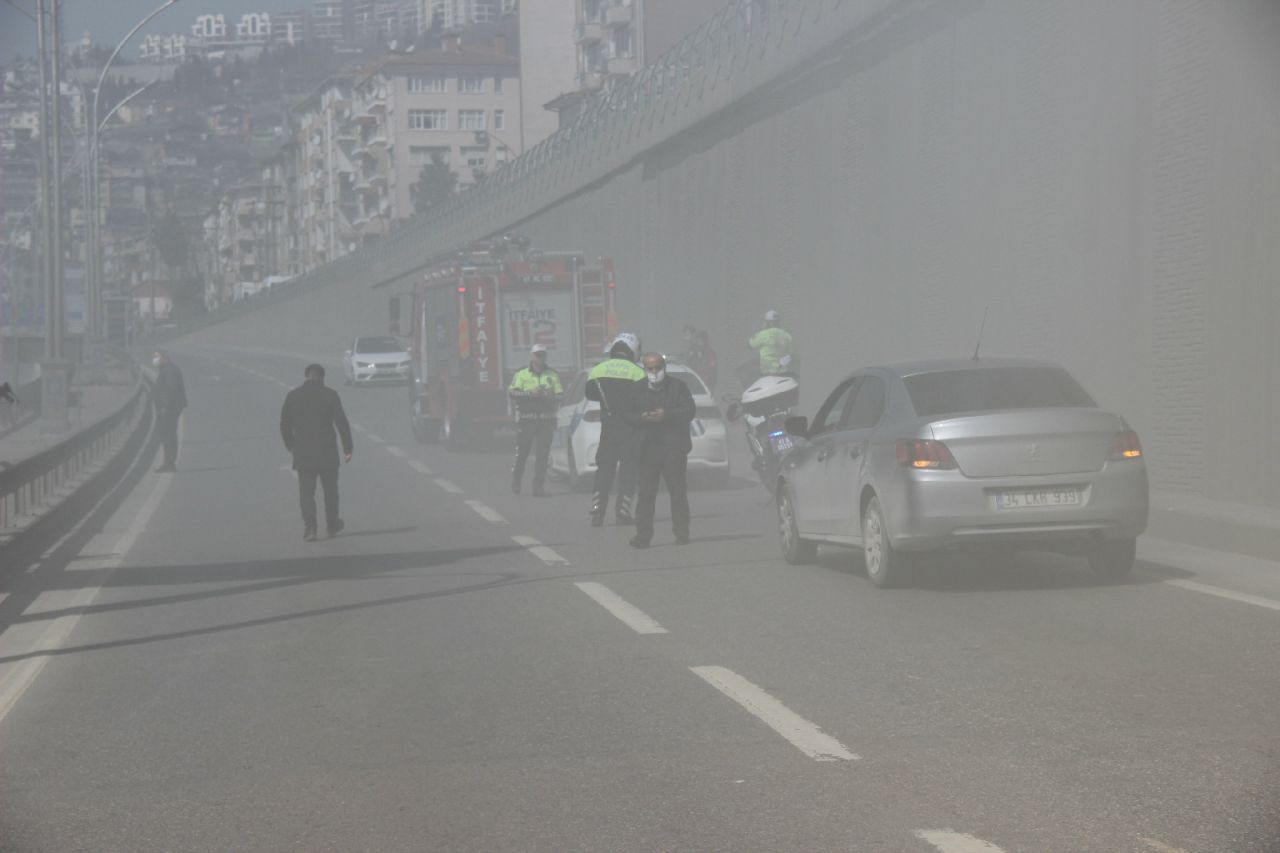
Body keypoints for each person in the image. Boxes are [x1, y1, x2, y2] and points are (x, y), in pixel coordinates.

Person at [626, 352, 696, 548]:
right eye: (650, 368)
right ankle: (643, 536)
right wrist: (642, 417)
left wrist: (668, 415)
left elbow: (689, 410)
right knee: (646, 494)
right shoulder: (636, 389)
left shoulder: (678, 387)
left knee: (678, 493)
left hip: (673, 448)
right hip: (647, 450)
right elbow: (626, 415)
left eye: (658, 367)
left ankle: (682, 534)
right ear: (644, 369)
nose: (654, 372)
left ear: (664, 367)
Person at [280, 363, 353, 541]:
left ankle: (310, 528)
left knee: (306, 494)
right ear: (322, 377)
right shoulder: (330, 395)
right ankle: (332, 525)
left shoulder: (293, 396)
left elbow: (284, 425)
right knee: (330, 492)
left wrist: (291, 445)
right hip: (327, 452)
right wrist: (348, 448)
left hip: (303, 453)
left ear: (306, 376)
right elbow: (341, 422)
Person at [585, 332, 645, 527]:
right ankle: (622, 512)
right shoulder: (638, 372)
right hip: (631, 431)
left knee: (604, 470)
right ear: (634, 350)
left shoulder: (597, 370)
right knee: (628, 472)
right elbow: (644, 400)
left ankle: (597, 512)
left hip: (608, 430)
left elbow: (591, 393)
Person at [508, 343, 563, 496]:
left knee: (543, 455)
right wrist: (530, 393)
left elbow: (560, 395)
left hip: (546, 421)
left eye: (543, 355)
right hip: (527, 420)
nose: (540, 357)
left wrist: (549, 395)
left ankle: (538, 487)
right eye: (538, 355)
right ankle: (516, 480)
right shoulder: (522, 374)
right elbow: (512, 393)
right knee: (522, 453)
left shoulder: (553, 375)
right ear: (532, 356)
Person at [152, 351, 187, 472]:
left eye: (157, 357)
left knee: (168, 435)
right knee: (168, 435)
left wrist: (165, 407)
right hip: (171, 407)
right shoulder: (167, 369)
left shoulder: (170, 371)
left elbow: (170, 390)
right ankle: (168, 463)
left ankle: (169, 464)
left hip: (170, 408)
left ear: (165, 358)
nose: (155, 359)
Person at [748, 310, 793, 376]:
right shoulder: (787, 335)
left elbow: (750, 345)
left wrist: (760, 330)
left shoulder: (763, 334)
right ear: (778, 322)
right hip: (784, 372)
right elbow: (790, 354)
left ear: (767, 322)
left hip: (768, 373)